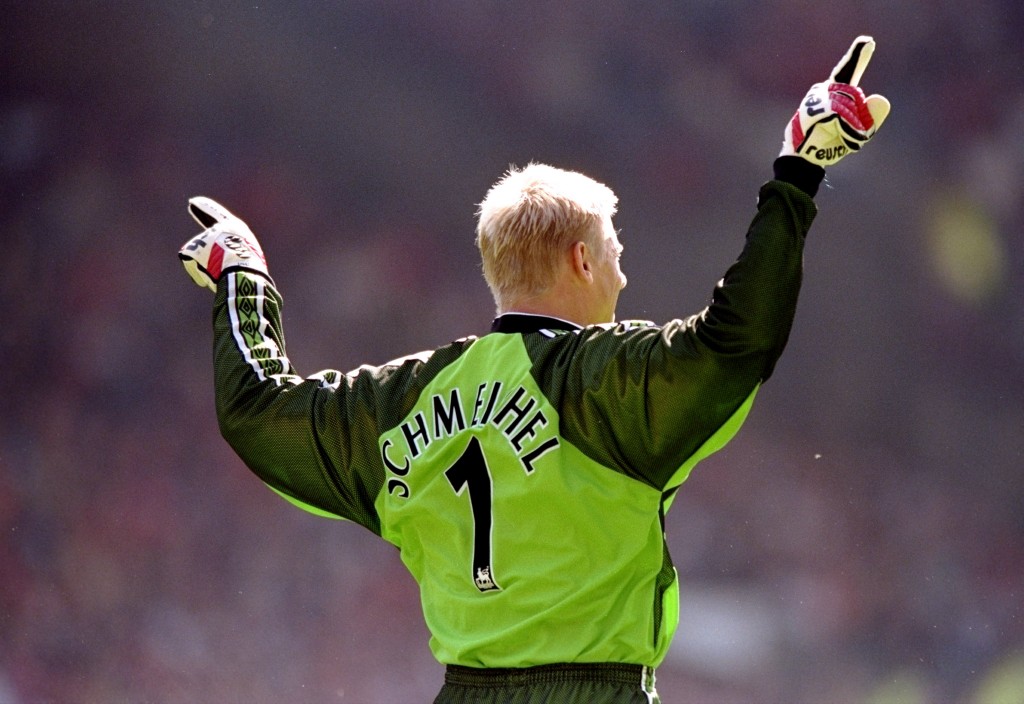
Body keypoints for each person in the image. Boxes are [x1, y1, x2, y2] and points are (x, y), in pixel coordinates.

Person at [178, 36, 888, 704]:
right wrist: (799, 169)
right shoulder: (601, 381)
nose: (623, 271)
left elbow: (255, 410)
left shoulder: (400, 400)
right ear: (582, 261)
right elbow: (738, 339)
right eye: (614, 253)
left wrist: (243, 275)